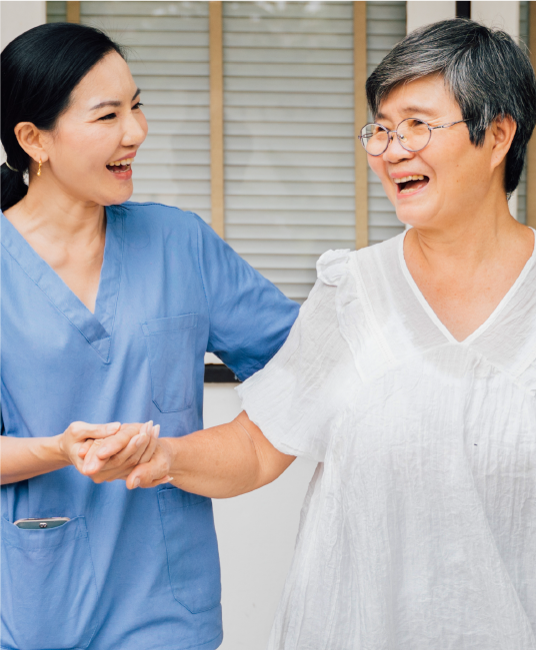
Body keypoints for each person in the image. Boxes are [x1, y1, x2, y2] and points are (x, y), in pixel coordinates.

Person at [125, 19, 536, 648]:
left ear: (497, 135)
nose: (392, 150)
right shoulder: (354, 292)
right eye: (382, 129)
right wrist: (164, 456)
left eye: (418, 125)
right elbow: (260, 448)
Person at [0, 22, 299, 650]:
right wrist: (59, 449)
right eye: (108, 114)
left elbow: (307, 363)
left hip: (169, 608)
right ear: (35, 140)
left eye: (136, 106)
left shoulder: (179, 244)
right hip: (33, 609)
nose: (136, 131)